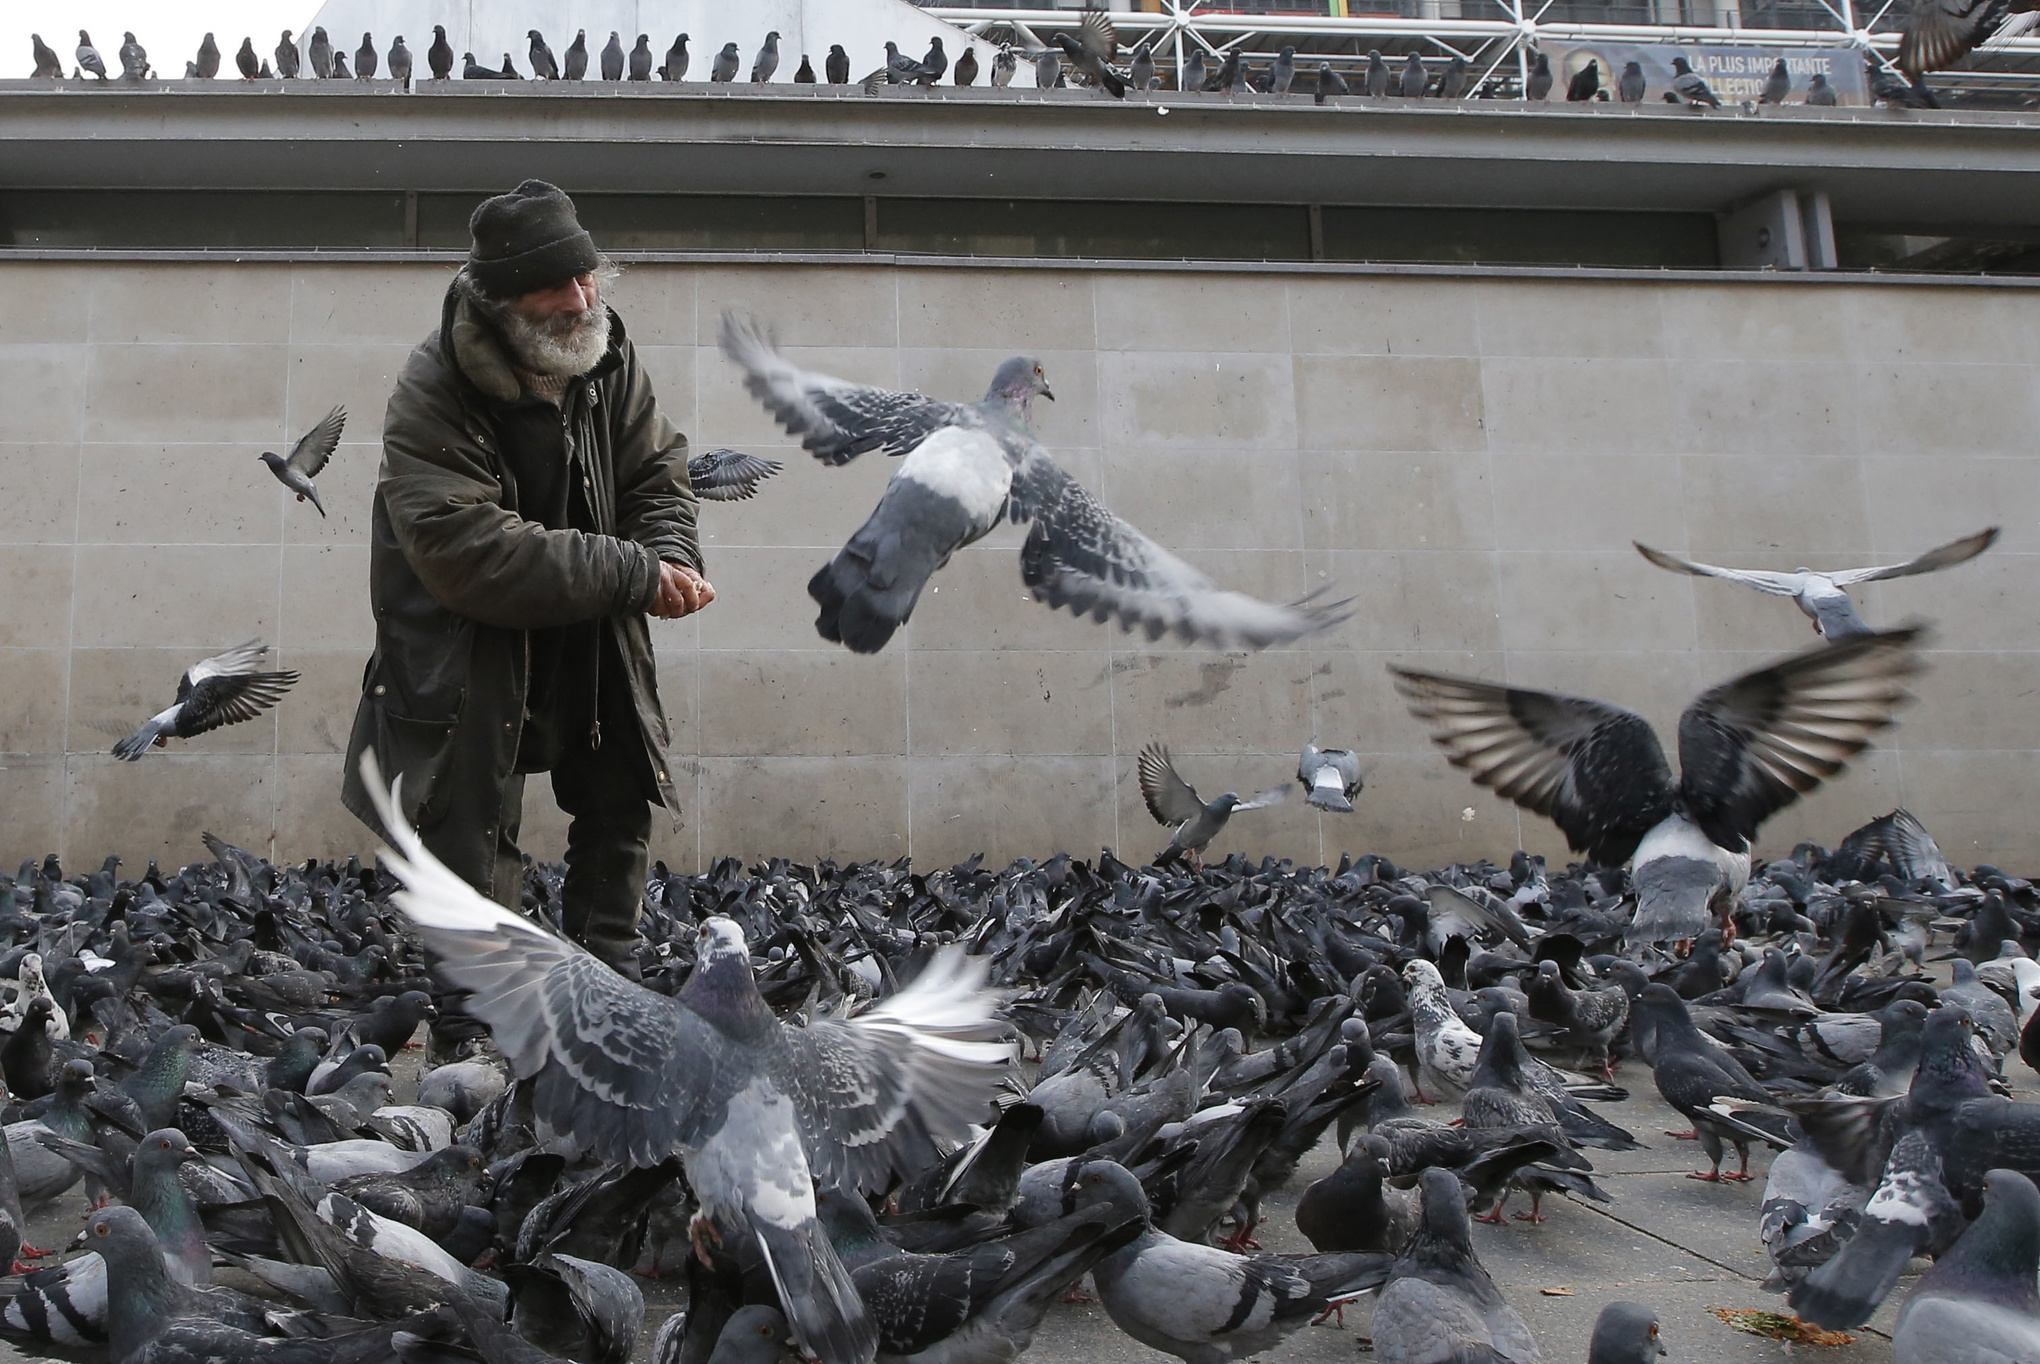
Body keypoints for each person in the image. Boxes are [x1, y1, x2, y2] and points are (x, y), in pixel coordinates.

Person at [342, 179, 711, 984]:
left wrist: (670, 555)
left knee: (620, 800)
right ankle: (473, 1026)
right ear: (505, 300)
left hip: (590, 623)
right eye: (557, 286)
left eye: (588, 278)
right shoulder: (432, 387)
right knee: (469, 832)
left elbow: (657, 470)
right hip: (463, 641)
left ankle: (608, 993)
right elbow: (459, 547)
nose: (582, 300)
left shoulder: (604, 351)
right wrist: (631, 569)